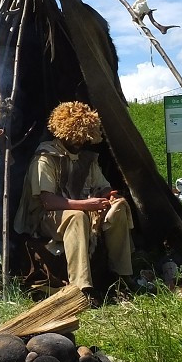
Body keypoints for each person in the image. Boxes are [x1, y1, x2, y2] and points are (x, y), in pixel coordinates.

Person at [14, 101, 136, 296]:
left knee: (119, 207)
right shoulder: (45, 157)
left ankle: (121, 276)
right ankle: (81, 288)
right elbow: (48, 202)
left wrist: (108, 196)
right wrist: (86, 205)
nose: (80, 142)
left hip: (81, 209)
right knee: (76, 218)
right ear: (64, 132)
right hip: (45, 218)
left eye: (84, 138)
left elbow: (102, 186)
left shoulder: (87, 159)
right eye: (76, 138)